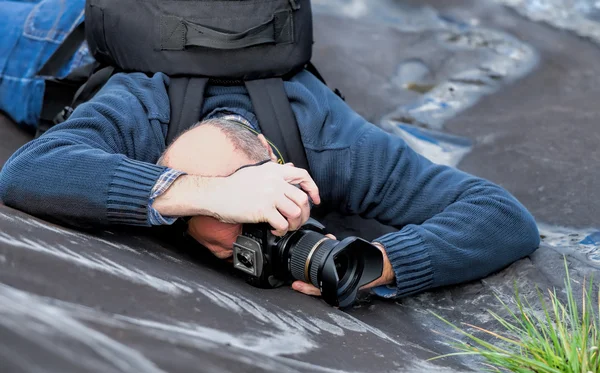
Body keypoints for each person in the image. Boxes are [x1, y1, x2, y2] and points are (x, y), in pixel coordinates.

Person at [0, 70, 541, 300]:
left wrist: (375, 262)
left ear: (289, 176)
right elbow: (28, 170)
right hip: (58, 43)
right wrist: (202, 192)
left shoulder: (336, 144)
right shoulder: (140, 110)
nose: (227, 240)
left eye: (247, 223)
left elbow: (501, 214)